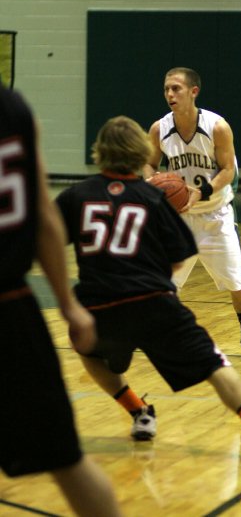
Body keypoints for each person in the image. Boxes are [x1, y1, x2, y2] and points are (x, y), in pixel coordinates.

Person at [55, 115, 241, 456]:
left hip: (98, 305)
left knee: (87, 351)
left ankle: (139, 412)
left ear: (99, 151)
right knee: (214, 363)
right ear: (139, 151)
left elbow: (46, 239)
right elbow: (179, 256)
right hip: (152, 302)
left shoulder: (76, 195)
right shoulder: (152, 199)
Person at [0, 84, 122, 517]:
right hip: (12, 310)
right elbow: (45, 216)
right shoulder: (15, 108)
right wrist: (68, 304)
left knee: (67, 458)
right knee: (66, 459)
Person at [143, 67, 241, 361]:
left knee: (236, 282)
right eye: (166, 90)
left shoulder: (217, 127)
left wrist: (203, 191)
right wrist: (152, 181)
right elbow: (148, 164)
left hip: (215, 215)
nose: (170, 95)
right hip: (179, 219)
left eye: (176, 89)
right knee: (164, 284)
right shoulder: (159, 128)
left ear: (193, 91)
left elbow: (227, 170)